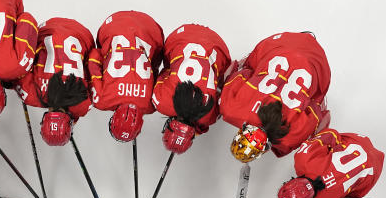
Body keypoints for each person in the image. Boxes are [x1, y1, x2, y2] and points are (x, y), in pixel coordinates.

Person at [220, 31, 331, 163]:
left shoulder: (288, 140)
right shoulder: (230, 110)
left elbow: (319, 113)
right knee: (249, 67)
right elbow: (241, 72)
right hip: (279, 45)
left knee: (316, 97)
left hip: (317, 63)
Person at [278, 128, 385, 198]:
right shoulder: (302, 160)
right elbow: (332, 134)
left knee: (351, 195)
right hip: (359, 142)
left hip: (374, 170)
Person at [151, 23, 230, 153]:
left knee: (218, 76)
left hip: (218, 46)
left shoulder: (209, 118)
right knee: (172, 63)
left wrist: (198, 127)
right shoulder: (161, 102)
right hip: (186, 37)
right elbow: (165, 72)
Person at [15, 17, 94, 145]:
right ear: (44, 119)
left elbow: (92, 65)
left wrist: (74, 117)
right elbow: (18, 72)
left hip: (82, 33)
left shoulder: (83, 106)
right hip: (48, 28)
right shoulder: (30, 96)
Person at [87, 10, 164, 142]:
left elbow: (158, 70)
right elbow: (94, 57)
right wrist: (106, 53)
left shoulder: (151, 106)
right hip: (113, 25)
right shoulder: (101, 101)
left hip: (150, 27)